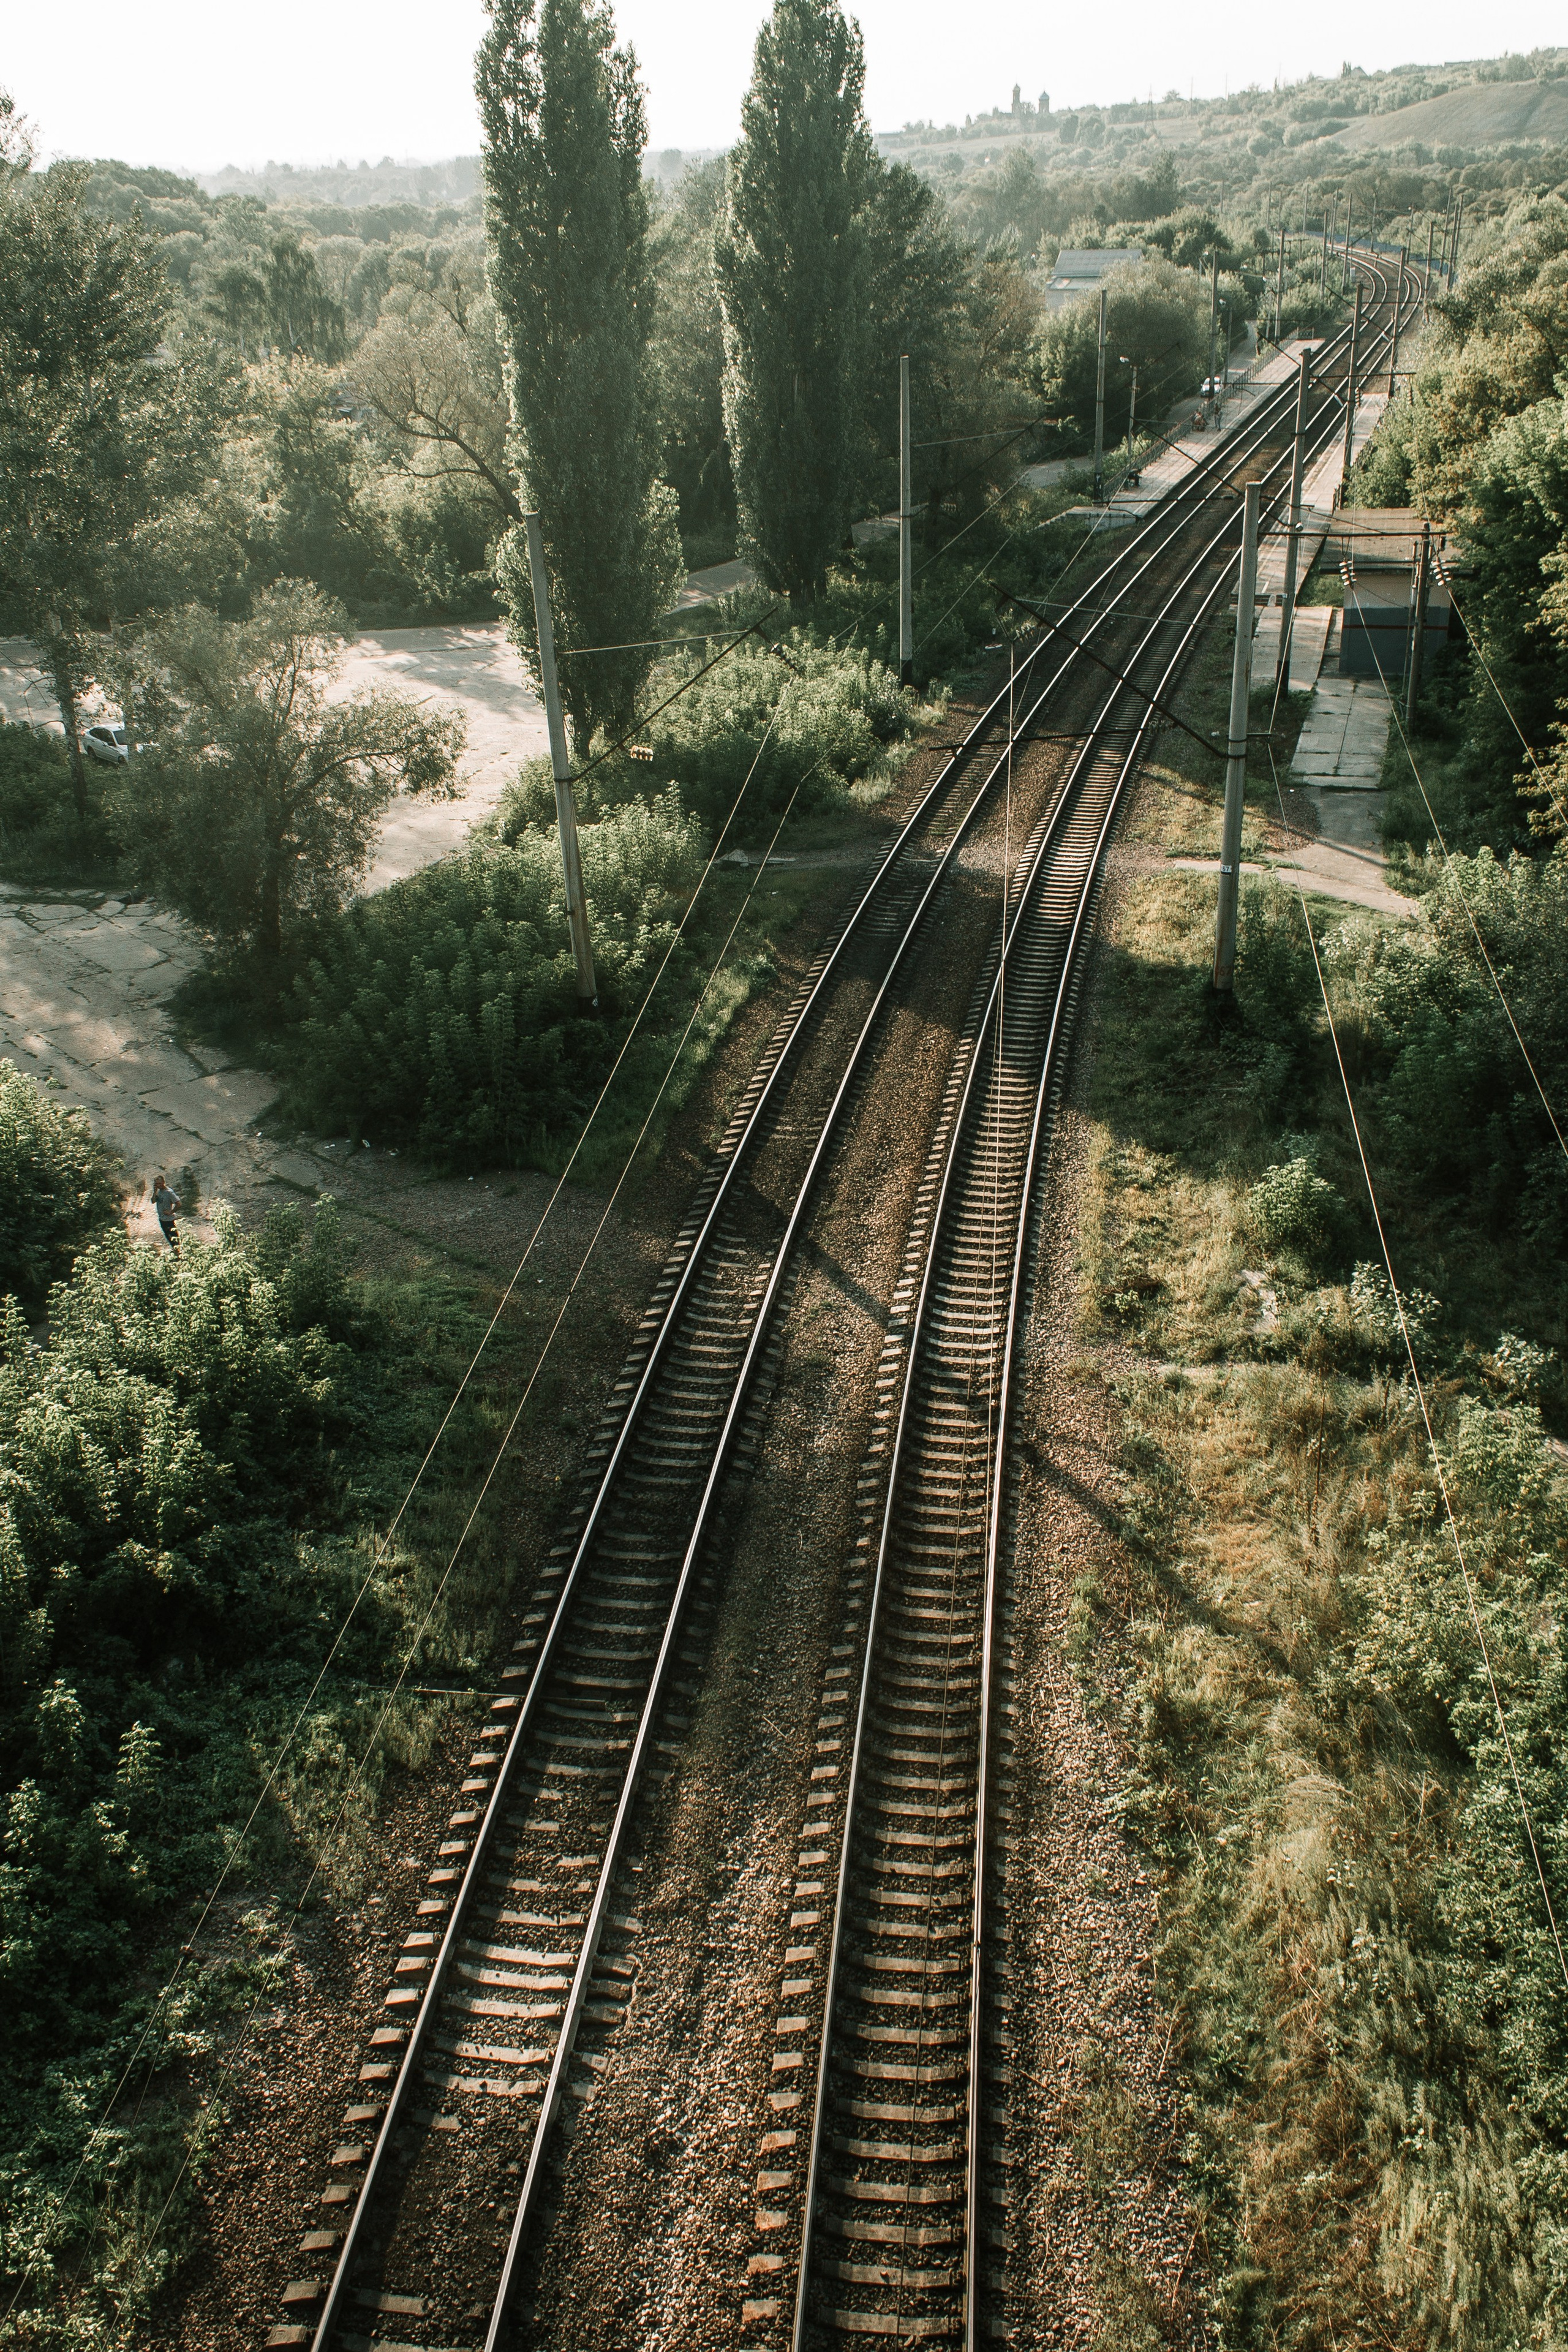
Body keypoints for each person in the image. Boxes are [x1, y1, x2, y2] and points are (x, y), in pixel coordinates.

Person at [151, 1172, 181, 1253]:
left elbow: (179, 1204)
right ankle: (175, 1251)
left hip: (170, 1219)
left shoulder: (169, 1192)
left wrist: (171, 1212)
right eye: (157, 1184)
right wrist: (154, 1192)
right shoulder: (158, 1192)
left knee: (173, 1237)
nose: (159, 1185)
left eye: (160, 1183)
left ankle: (178, 1252)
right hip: (162, 1219)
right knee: (168, 1237)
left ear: (164, 1182)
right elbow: (153, 1201)